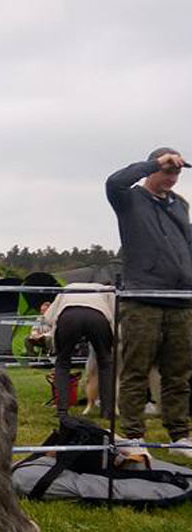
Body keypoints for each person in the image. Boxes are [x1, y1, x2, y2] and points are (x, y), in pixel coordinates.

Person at [106, 147, 192, 458]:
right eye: (167, 170)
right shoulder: (128, 199)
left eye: (176, 172)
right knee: (136, 370)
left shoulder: (180, 205)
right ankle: (132, 435)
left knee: (179, 373)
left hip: (180, 300)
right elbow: (113, 181)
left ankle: (180, 435)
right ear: (152, 168)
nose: (172, 177)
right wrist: (153, 163)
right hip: (143, 299)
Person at [43, 284, 115, 419]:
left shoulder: (69, 287)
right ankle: (107, 411)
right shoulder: (105, 289)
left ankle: (62, 410)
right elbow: (114, 315)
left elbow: (48, 317)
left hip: (69, 316)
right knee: (105, 362)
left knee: (62, 362)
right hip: (97, 316)